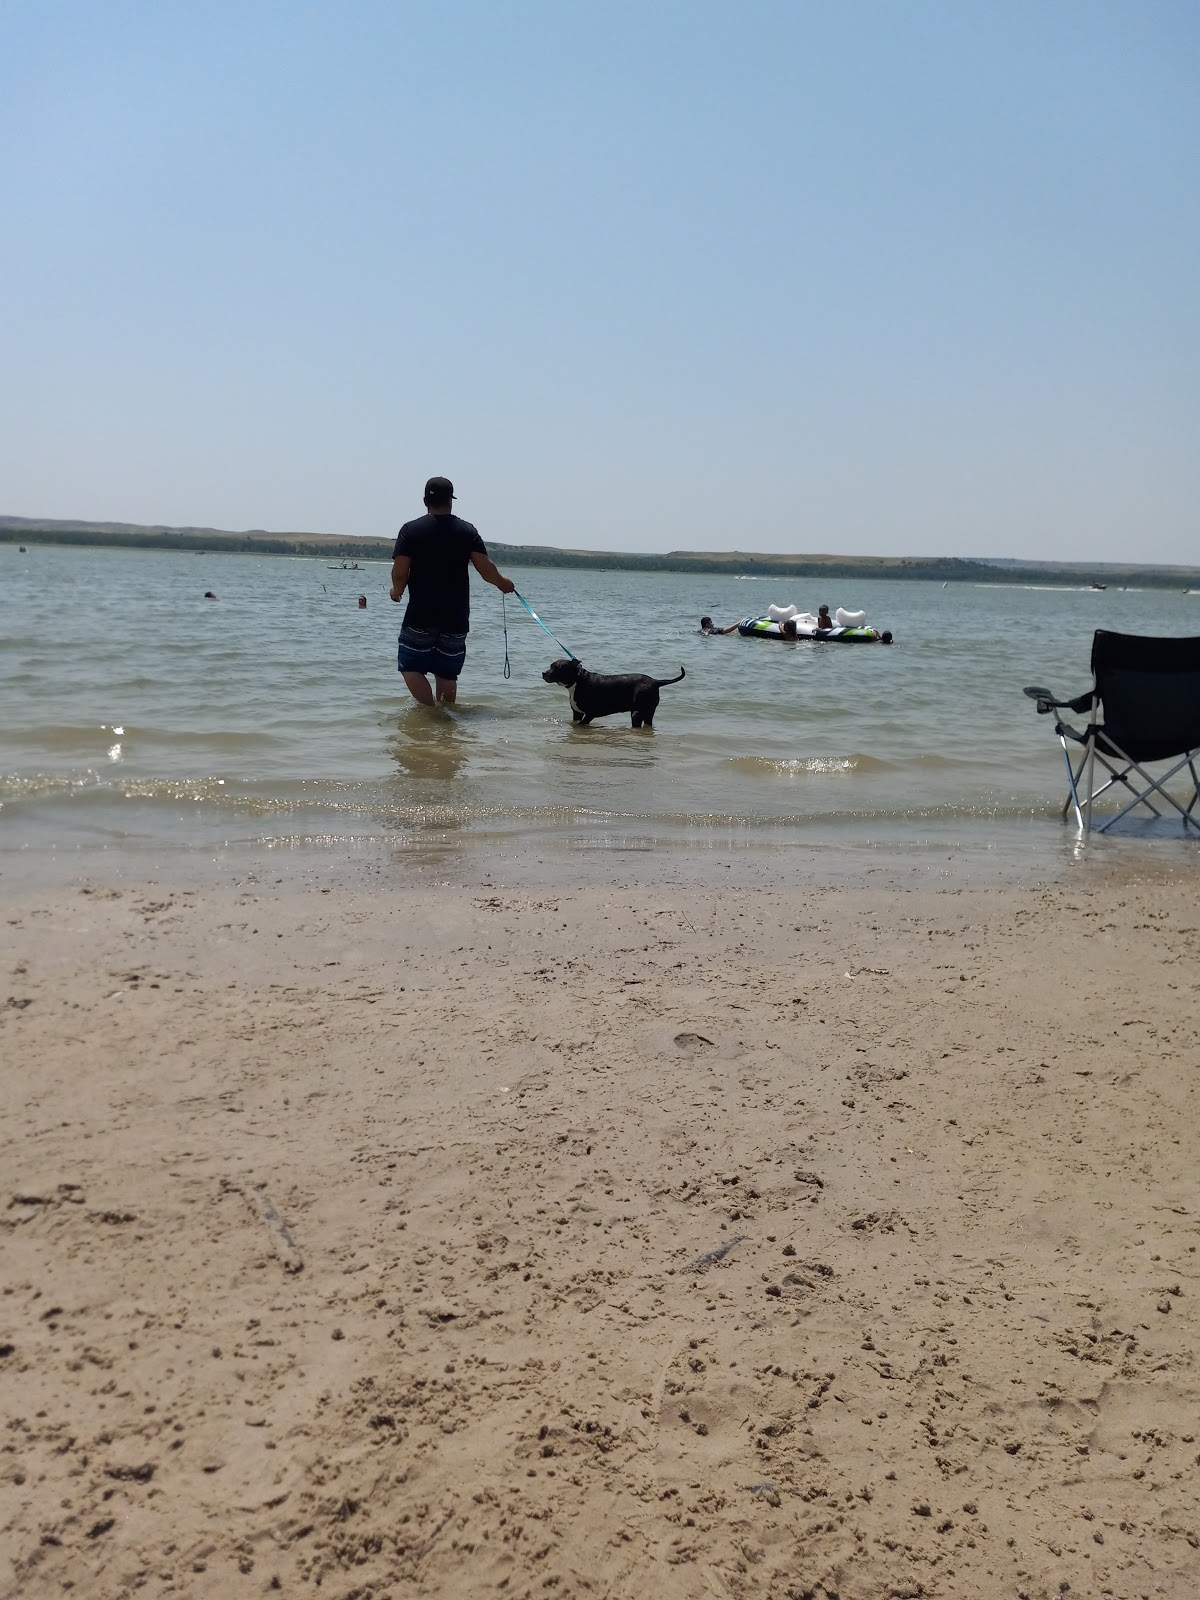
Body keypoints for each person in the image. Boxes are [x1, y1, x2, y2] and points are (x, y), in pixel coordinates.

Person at [390, 476, 515, 705]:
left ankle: (430, 714)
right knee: (447, 674)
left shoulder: (410, 530)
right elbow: (486, 570)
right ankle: (446, 721)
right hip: (456, 617)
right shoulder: (467, 531)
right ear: (451, 501)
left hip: (421, 614)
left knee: (411, 668)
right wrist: (503, 583)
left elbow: (400, 573)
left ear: (425, 500)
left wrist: (396, 591)